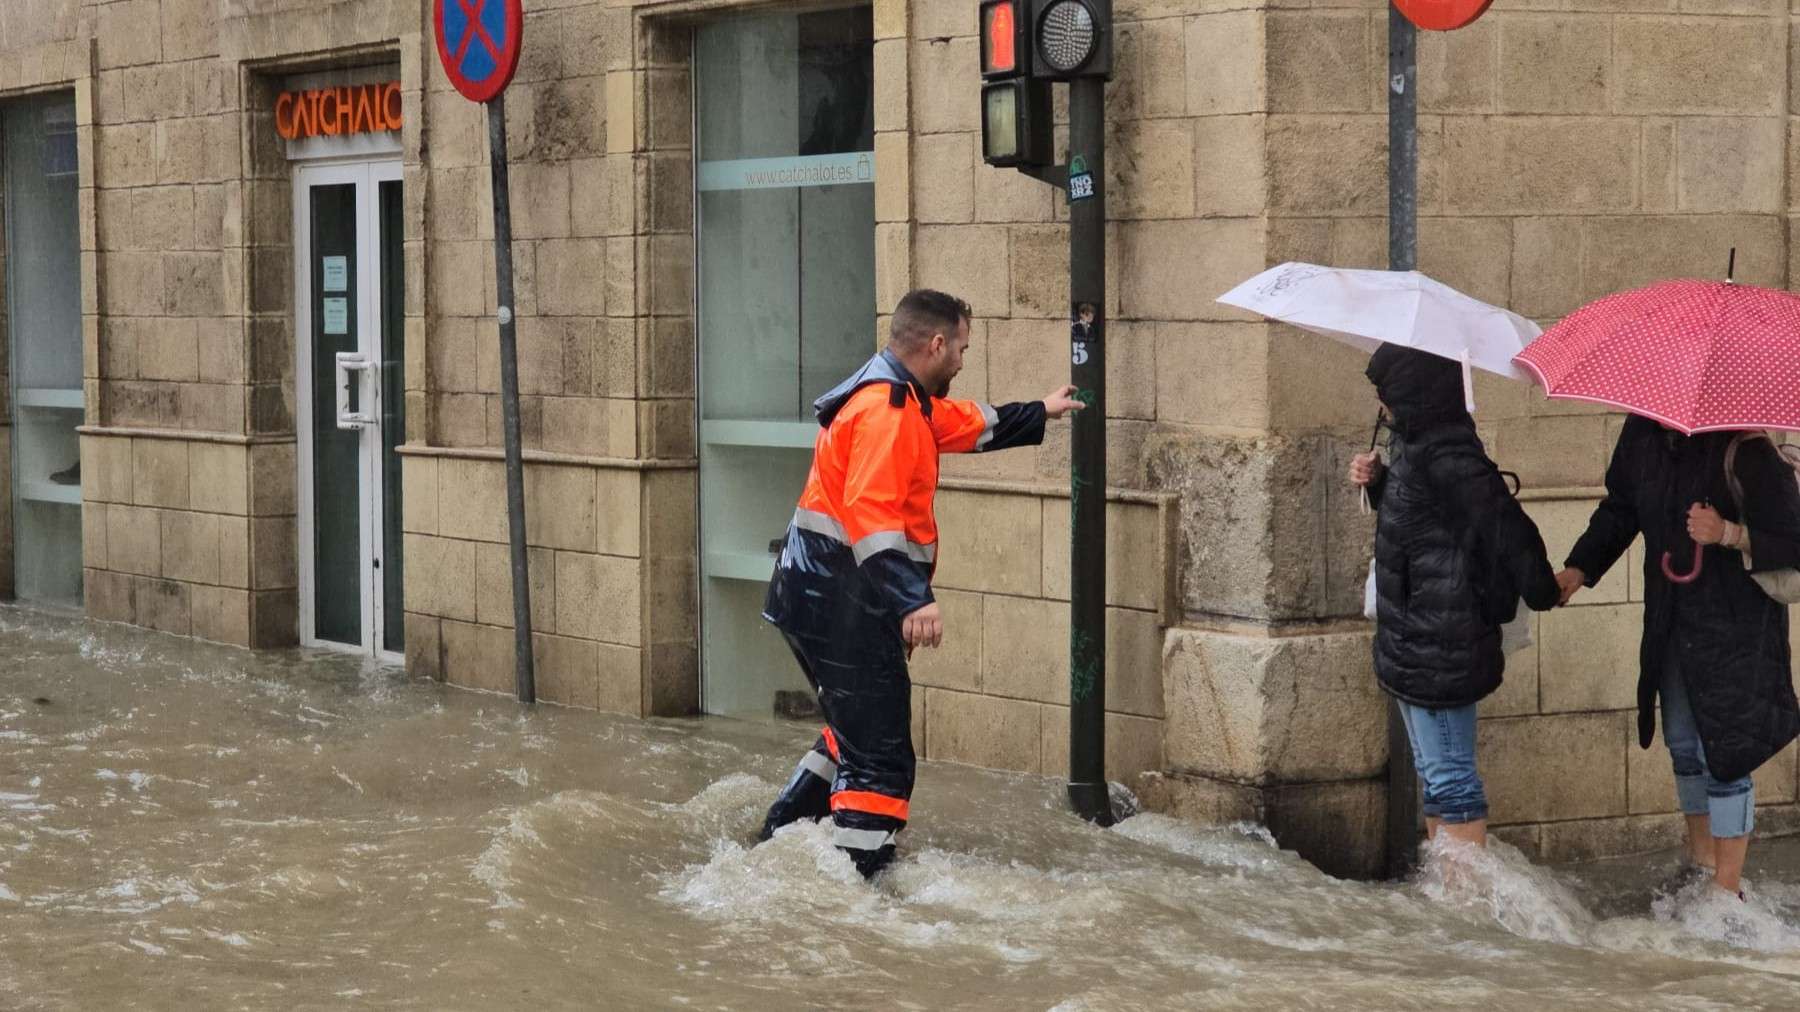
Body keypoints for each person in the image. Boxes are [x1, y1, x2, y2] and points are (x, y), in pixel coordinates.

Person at [758, 289, 1086, 877]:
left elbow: (959, 423)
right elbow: (873, 514)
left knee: (855, 735)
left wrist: (1039, 409)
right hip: (838, 603)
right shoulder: (886, 410)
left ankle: (773, 845)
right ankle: (857, 890)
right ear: (936, 344)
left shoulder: (901, 397)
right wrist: (915, 601)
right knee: (881, 759)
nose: (961, 360)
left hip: (819, 596)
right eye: (960, 347)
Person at [1558, 418, 1800, 898]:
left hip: (1736, 628)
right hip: (1672, 620)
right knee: (1685, 746)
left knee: (1725, 752)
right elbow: (1620, 509)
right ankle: (1701, 862)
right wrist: (1579, 568)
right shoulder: (1643, 435)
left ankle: (1727, 889)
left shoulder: (1745, 446)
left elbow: (1793, 538)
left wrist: (1729, 533)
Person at [1348, 345, 1561, 851]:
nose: (1383, 408)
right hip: (1412, 637)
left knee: (1452, 783)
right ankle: (1450, 902)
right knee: (1436, 778)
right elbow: (1422, 523)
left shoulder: (1449, 454)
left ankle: (1470, 911)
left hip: (1441, 642)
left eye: (1388, 395)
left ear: (1415, 394)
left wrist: (1546, 589)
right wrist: (1378, 483)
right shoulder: (1415, 445)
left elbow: (1509, 530)